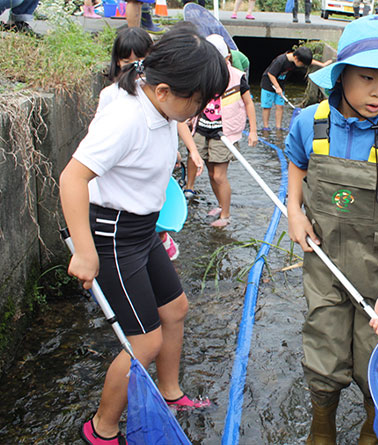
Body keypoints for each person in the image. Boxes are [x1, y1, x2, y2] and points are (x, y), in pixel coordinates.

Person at [59, 24, 228, 445]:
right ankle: (102, 429)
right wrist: (84, 251)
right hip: (112, 234)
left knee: (175, 309)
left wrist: (189, 144)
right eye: (197, 102)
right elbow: (72, 178)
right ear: (165, 90)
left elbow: (172, 119)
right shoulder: (125, 117)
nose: (198, 111)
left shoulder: (152, 89)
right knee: (144, 343)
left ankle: (170, 393)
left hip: (143, 228)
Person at [285, 15, 378, 445]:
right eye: (368, 77)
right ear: (341, 74)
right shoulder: (310, 123)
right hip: (324, 264)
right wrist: (295, 211)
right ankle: (322, 429)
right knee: (323, 348)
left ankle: (372, 432)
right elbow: (296, 161)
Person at [97, 27, 205, 260]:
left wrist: (188, 150)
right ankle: (155, 242)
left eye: (141, 59)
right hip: (129, 170)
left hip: (155, 167)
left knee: (158, 200)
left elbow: (176, 121)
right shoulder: (112, 95)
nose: (134, 65)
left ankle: (160, 236)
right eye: (127, 60)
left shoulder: (159, 90)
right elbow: (100, 137)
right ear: (117, 61)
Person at [190, 34, 258, 228]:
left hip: (225, 132)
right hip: (203, 128)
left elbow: (249, 103)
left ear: (226, 58)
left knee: (220, 175)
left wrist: (253, 130)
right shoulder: (202, 74)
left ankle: (226, 215)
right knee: (211, 174)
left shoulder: (237, 77)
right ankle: (221, 205)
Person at [260, 46, 329, 131]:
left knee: (280, 106)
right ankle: (266, 127)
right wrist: (277, 88)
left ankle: (278, 127)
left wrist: (322, 64)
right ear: (296, 59)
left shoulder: (297, 58)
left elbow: (310, 61)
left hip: (280, 84)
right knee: (267, 106)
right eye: (302, 64)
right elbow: (271, 74)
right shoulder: (281, 60)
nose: (302, 66)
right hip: (268, 84)